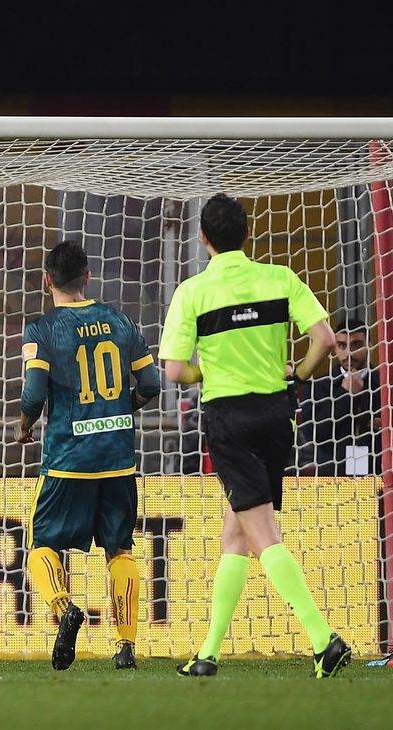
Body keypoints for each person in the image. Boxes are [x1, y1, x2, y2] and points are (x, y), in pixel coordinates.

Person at [161, 193, 351, 678]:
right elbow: (325, 339)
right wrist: (299, 375)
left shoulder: (193, 292)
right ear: (248, 234)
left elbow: (175, 370)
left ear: (203, 239)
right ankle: (208, 655)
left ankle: (322, 638)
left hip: (229, 419)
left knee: (262, 535)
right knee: (235, 533)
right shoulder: (280, 278)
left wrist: (209, 373)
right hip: (276, 415)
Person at [14, 240, 160, 671]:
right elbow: (150, 385)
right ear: (88, 278)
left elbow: (33, 392)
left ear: (47, 280)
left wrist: (24, 425)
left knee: (43, 545)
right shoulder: (121, 321)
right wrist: (117, 409)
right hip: (118, 459)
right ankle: (126, 646)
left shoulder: (42, 329)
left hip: (67, 460)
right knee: (120, 550)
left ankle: (64, 608)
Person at [301, 318, 381, 476]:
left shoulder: (386, 384)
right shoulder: (318, 386)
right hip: (334, 480)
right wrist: (345, 394)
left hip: (379, 477)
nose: (349, 353)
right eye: (342, 346)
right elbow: (314, 434)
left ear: (370, 345)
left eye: (356, 345)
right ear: (335, 348)